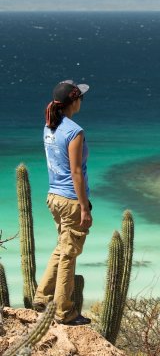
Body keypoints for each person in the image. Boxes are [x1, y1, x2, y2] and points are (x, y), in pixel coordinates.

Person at [33, 80, 92, 326]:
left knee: (62, 248)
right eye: (81, 98)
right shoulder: (74, 132)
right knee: (69, 254)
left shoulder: (50, 127)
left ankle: (42, 297)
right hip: (70, 199)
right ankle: (64, 312)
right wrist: (84, 207)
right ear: (74, 101)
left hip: (53, 197)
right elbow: (76, 172)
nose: (82, 102)